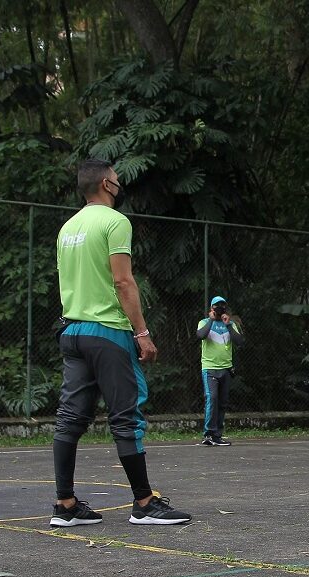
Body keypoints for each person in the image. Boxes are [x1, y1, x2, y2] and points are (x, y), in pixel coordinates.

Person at [51, 159, 191, 527]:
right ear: (107, 185)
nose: (119, 184)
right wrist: (142, 333)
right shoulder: (115, 222)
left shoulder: (68, 228)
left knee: (69, 420)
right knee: (126, 417)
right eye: (116, 179)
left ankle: (65, 505)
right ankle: (144, 503)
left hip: (72, 332)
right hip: (108, 333)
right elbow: (123, 282)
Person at [196, 295, 245, 446]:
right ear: (211, 308)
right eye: (216, 306)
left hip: (226, 369)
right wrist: (211, 320)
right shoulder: (204, 322)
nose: (219, 309)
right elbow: (200, 335)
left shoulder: (230, 324)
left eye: (222, 306)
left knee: (222, 403)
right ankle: (208, 434)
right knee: (212, 398)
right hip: (210, 368)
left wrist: (228, 324)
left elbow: (239, 341)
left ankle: (217, 435)